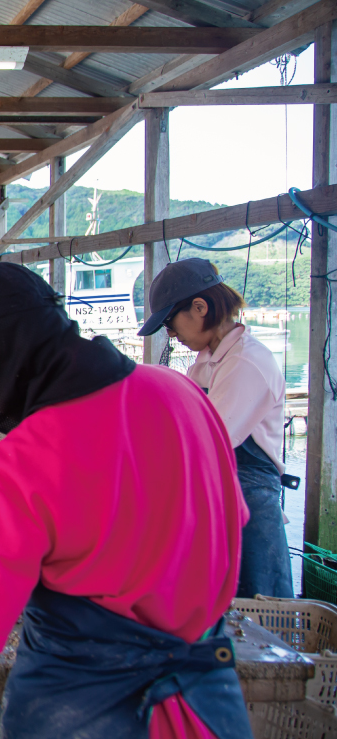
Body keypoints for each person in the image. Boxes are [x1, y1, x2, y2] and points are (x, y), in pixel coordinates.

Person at [0, 263, 251, 739]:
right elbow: (229, 525)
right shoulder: (182, 395)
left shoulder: (15, 469)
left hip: (84, 717)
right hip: (207, 710)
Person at [138, 257, 292, 599]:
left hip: (249, 503)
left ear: (199, 307)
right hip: (217, 494)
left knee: (263, 613)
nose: (171, 334)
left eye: (171, 323)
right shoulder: (208, 360)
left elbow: (205, 442)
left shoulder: (246, 362)